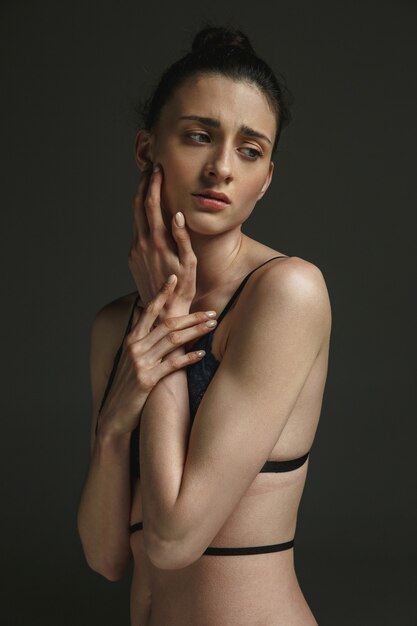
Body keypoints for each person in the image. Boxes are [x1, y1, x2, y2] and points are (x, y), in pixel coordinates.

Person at [77, 25, 332, 626]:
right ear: (147, 150)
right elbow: (106, 556)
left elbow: (173, 539)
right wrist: (115, 427)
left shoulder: (286, 293)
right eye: (199, 136)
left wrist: (168, 314)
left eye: (250, 150)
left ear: (267, 177)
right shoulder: (115, 326)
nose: (221, 168)